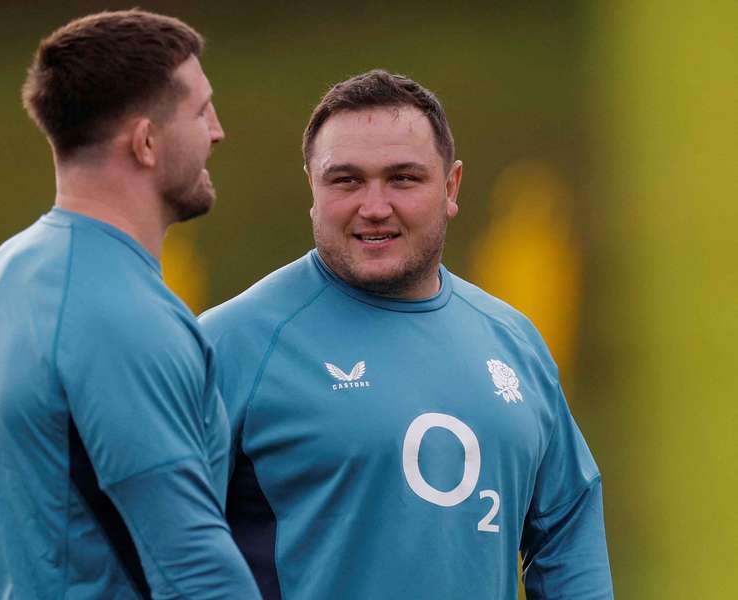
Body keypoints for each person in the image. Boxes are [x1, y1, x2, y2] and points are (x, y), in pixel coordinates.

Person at [200, 70, 613, 599]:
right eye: (346, 180)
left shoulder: (513, 341)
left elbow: (567, 529)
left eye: (403, 178)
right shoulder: (230, 344)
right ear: (313, 188)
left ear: (451, 187)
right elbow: (144, 541)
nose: (374, 207)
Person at [0, 9, 261, 599]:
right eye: (200, 110)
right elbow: (194, 572)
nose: (217, 130)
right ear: (146, 141)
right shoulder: (119, 317)